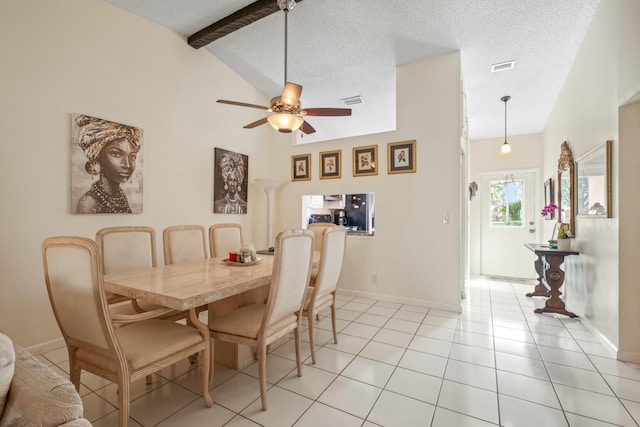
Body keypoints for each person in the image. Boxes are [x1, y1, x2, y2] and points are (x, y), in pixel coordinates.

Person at [74, 115, 141, 213]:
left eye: (132, 157)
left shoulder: (120, 197)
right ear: (97, 156)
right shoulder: (89, 202)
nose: (127, 164)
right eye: (116, 154)